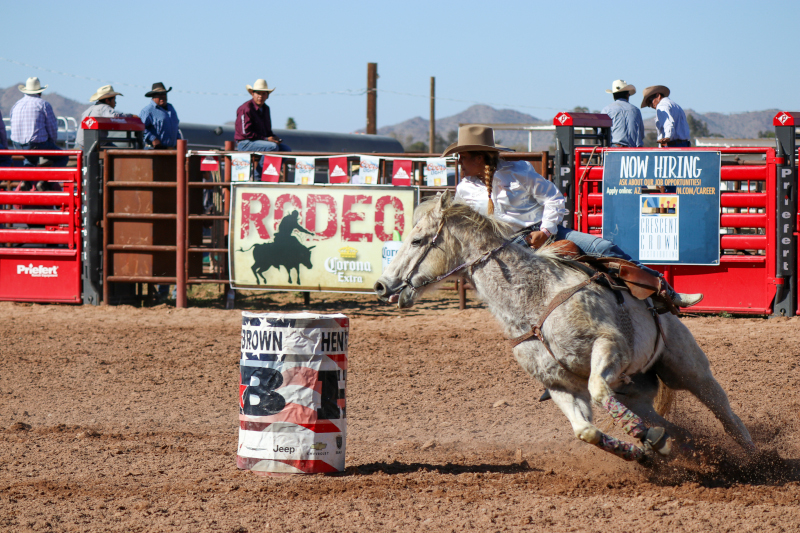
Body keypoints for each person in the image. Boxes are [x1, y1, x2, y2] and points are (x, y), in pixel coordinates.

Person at [446, 125, 703, 308]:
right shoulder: (464, 189)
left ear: (480, 157)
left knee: (603, 247)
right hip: (506, 246)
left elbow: (553, 198)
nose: (460, 163)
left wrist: (545, 231)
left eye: (463, 157)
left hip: (543, 233)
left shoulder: (519, 172)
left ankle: (665, 291)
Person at [235, 79, 291, 180]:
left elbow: (267, 131)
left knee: (286, 150)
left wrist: (273, 137)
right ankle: (258, 177)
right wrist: (266, 139)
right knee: (272, 147)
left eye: (263, 93)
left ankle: (269, 174)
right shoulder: (245, 108)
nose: (260, 96)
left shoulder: (266, 109)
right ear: (252, 94)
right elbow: (246, 133)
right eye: (258, 93)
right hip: (244, 143)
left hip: (260, 142)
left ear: (267, 96)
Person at [9, 77, 68, 169]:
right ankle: (47, 178)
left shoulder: (16, 104)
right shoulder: (43, 104)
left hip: (17, 145)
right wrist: (52, 143)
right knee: (63, 157)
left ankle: (28, 176)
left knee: (29, 160)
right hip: (35, 145)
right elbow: (52, 128)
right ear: (40, 92)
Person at [75, 85, 131, 150]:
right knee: (119, 153)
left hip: (81, 145)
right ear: (107, 100)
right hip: (95, 145)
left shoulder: (89, 109)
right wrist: (130, 116)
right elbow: (115, 117)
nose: (115, 102)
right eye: (114, 100)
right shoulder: (104, 108)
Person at [601, 79, 644, 148]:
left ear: (613, 95)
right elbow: (641, 134)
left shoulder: (607, 110)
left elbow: (601, 133)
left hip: (615, 147)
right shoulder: (636, 110)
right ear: (627, 95)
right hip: (633, 149)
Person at [139, 82, 181, 149]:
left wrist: (178, 139)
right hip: (154, 150)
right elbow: (140, 128)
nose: (163, 97)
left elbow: (176, 126)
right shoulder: (147, 111)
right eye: (159, 94)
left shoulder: (171, 108)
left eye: (164, 94)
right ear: (153, 96)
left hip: (171, 149)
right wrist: (152, 138)